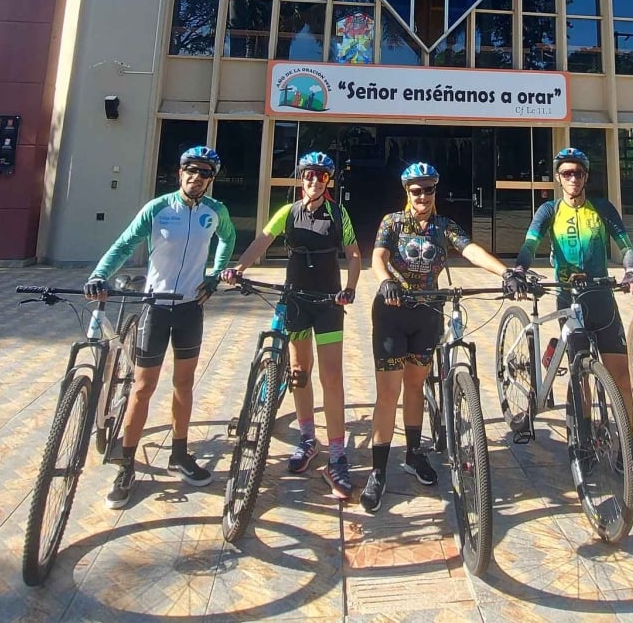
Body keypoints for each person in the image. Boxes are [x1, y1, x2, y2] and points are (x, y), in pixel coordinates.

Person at [361, 161, 523, 513]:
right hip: (392, 310)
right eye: (416, 190)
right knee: (389, 393)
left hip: (427, 313)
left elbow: (470, 249)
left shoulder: (443, 226)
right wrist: (385, 278)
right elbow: (378, 256)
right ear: (407, 192)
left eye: (429, 190)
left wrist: (505, 271)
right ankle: (377, 471)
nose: (422, 196)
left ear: (435, 191)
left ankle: (414, 454)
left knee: (416, 385)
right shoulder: (392, 222)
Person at [86, 145, 236, 508]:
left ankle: (180, 454)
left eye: (204, 173)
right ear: (179, 172)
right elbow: (124, 245)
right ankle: (126, 464)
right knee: (142, 387)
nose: (196, 177)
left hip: (189, 308)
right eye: (191, 170)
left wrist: (214, 276)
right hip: (156, 306)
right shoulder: (157, 209)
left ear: (211, 180)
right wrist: (100, 275)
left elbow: (228, 240)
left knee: (183, 384)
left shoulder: (216, 212)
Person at [221, 151, 362, 501]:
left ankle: (337, 454)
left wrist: (350, 288)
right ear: (301, 178)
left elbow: (354, 254)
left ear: (329, 181)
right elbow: (261, 242)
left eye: (321, 176)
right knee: (299, 372)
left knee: (332, 378)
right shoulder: (288, 212)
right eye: (309, 175)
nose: (314, 180)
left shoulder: (337, 213)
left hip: (328, 303)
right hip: (296, 301)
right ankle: (307, 439)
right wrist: (239, 268)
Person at [512, 147, 633, 490]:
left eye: (578, 172)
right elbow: (530, 244)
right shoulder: (549, 210)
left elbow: (626, 244)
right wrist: (519, 269)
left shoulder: (602, 208)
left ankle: (626, 454)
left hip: (602, 298)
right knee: (580, 377)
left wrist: (631, 271)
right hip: (569, 298)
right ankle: (584, 444)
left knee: (620, 377)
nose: (572, 178)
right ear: (558, 177)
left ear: (586, 176)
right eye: (566, 173)